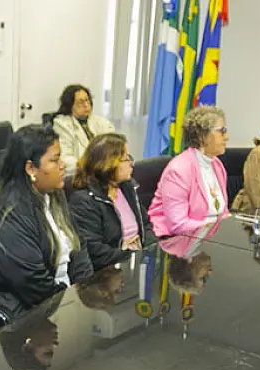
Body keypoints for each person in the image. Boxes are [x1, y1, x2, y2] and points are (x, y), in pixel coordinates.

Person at [0, 124, 92, 336]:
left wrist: (84, 290)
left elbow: (78, 245)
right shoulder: (5, 215)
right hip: (16, 318)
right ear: (31, 168)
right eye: (54, 160)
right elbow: (34, 285)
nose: (62, 166)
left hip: (57, 303)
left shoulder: (53, 194)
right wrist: (71, 300)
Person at [67, 133, 152, 269]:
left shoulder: (127, 188)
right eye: (126, 159)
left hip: (134, 264)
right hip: (107, 273)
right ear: (109, 164)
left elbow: (146, 224)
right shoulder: (84, 200)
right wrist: (129, 253)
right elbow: (94, 251)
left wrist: (147, 249)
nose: (131, 163)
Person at [147, 106, 230, 238]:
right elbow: (178, 225)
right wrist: (216, 227)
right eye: (222, 131)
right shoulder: (179, 169)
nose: (227, 137)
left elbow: (222, 212)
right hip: (175, 240)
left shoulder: (217, 165)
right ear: (202, 136)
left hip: (207, 238)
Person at [50, 84, 115, 171]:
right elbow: (65, 157)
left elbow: (113, 146)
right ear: (70, 105)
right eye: (80, 102)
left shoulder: (100, 122)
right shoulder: (62, 124)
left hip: (102, 169)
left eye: (87, 100)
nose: (86, 105)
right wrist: (87, 165)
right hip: (77, 172)